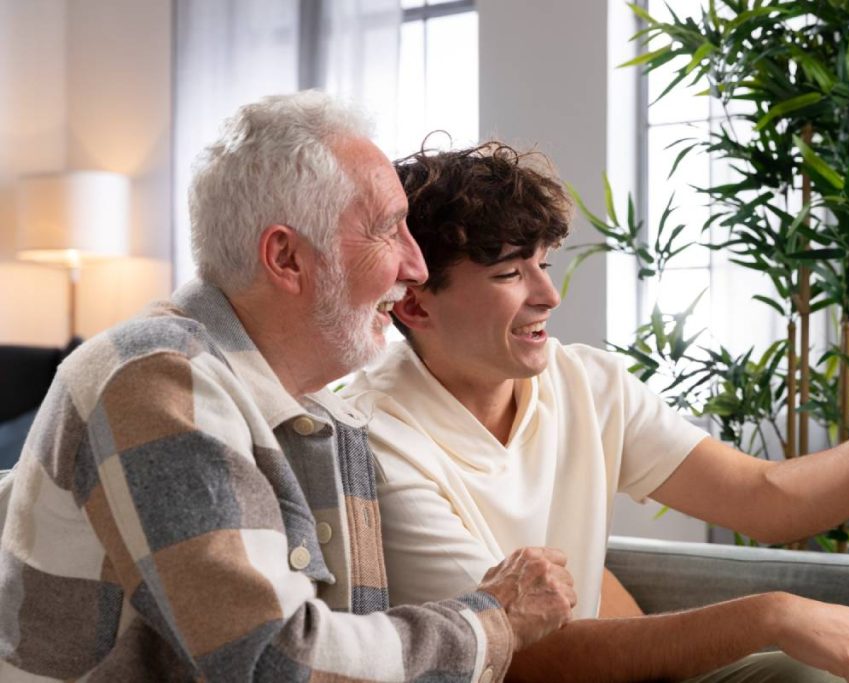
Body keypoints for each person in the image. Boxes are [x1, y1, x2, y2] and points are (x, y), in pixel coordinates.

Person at [0, 95, 577, 681]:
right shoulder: (156, 380)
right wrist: (493, 619)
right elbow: (275, 662)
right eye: (387, 229)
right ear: (286, 257)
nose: (416, 266)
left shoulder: (319, 411)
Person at [341, 142, 849, 683]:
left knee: (819, 676)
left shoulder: (587, 381)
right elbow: (522, 658)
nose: (549, 295)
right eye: (509, 273)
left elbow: (766, 497)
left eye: (544, 263)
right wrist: (766, 614)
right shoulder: (371, 437)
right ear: (415, 307)